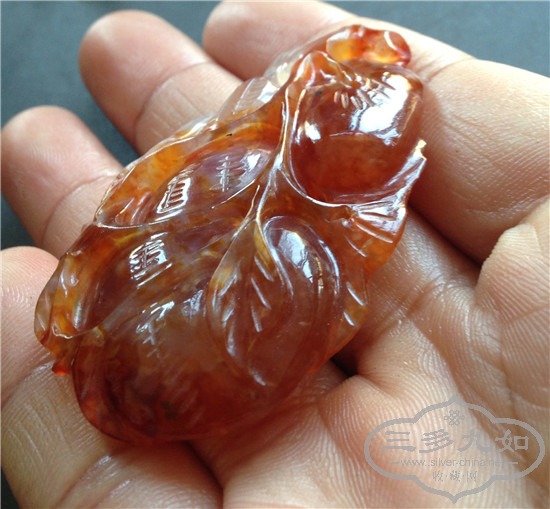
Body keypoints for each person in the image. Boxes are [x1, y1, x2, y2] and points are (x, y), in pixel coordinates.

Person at [1, 1, 548, 507]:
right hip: (138, 303)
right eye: (340, 87)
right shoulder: (265, 142)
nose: (331, 85)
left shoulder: (303, 244)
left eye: (347, 96)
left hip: (169, 347)